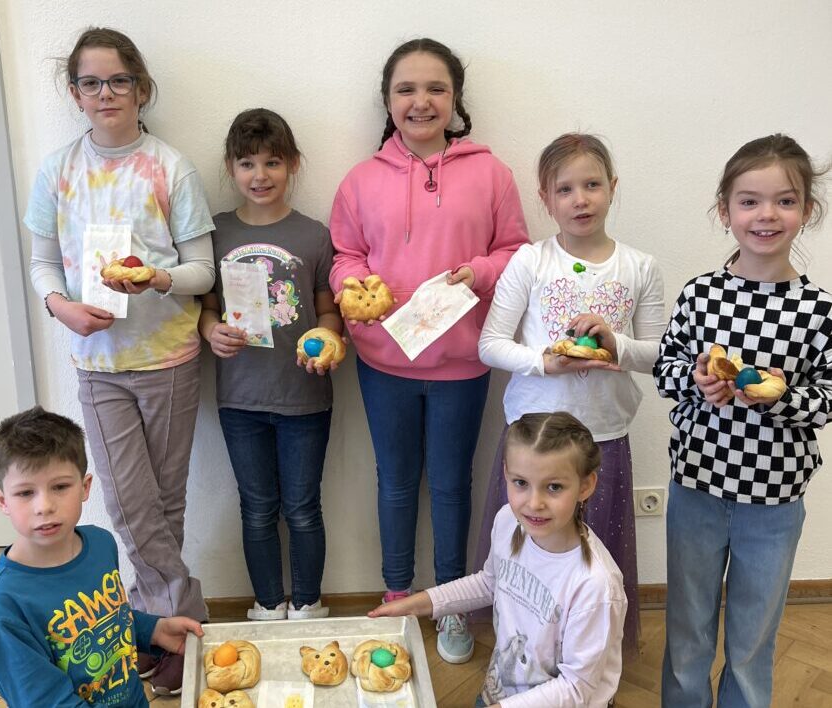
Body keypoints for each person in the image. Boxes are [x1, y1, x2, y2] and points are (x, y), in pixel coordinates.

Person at [25, 27, 214, 693]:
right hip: (98, 363)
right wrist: (60, 306)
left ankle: (154, 630)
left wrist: (158, 279)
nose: (106, 93)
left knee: (162, 504)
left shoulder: (171, 166)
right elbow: (43, 259)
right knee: (133, 507)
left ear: (140, 87)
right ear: (74, 93)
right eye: (91, 82)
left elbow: (201, 270)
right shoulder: (58, 170)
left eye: (118, 80)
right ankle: (184, 622)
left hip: (170, 358)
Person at [329, 37, 528, 663]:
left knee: (449, 485)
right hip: (382, 359)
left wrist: (477, 271)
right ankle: (396, 596)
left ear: (455, 99)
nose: (421, 101)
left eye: (435, 88)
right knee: (394, 482)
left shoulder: (492, 173)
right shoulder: (361, 180)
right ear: (388, 102)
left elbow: (516, 251)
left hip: (462, 363)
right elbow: (344, 255)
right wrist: (350, 284)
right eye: (406, 90)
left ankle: (448, 602)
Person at [654, 134, 831, 707]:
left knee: (754, 636)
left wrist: (778, 397)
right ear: (725, 208)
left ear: (807, 210)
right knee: (687, 632)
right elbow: (666, 370)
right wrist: (697, 381)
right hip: (698, 487)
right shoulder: (702, 294)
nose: (766, 214)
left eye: (785, 200)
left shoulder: (819, 310)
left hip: (775, 498)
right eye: (749, 200)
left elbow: (828, 396)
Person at [477, 133, 665, 656]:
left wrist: (615, 345)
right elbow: (490, 344)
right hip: (534, 441)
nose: (580, 199)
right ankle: (525, 650)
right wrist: (545, 361)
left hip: (602, 436)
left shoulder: (639, 266)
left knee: (591, 558)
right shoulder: (529, 262)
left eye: (592, 185)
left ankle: (586, 659)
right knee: (528, 552)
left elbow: (659, 354)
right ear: (546, 198)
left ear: (612, 188)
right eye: (565, 189)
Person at [371, 412, 626, 707]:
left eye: (554, 487)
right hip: (499, 694)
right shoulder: (508, 521)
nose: (534, 503)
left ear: (585, 486)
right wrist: (414, 604)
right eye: (521, 483)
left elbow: (575, 688)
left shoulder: (595, 586)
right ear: (506, 473)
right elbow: (489, 583)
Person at [199, 109, 342, 621]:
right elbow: (207, 308)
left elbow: (328, 307)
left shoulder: (314, 235)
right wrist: (209, 332)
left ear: (293, 165)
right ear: (230, 168)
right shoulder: (213, 233)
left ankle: (307, 604)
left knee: (302, 509)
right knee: (256, 508)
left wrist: (328, 337)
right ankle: (265, 604)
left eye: (272, 162)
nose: (260, 175)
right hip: (240, 398)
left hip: (305, 398)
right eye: (247, 163)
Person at [0, 407, 203, 707]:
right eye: (25, 493)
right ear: (2, 501)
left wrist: (154, 630)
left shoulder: (100, 544)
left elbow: (106, 621)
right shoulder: (3, 603)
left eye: (59, 487)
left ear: (84, 487)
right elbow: (46, 701)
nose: (44, 506)